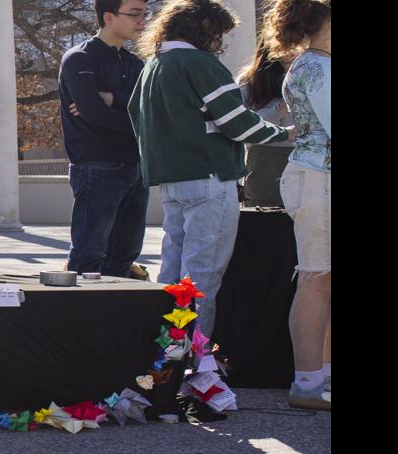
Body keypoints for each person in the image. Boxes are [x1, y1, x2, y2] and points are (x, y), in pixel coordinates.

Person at [128, 0, 290, 340]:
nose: (220, 43)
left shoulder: (153, 65)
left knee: (172, 273)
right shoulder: (200, 64)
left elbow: (135, 116)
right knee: (201, 278)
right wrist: (284, 133)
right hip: (209, 178)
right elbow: (236, 122)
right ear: (205, 28)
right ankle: (192, 355)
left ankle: (163, 350)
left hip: (172, 180)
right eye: (218, 34)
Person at [265, 0, 331, 410]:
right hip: (318, 179)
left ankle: (319, 376)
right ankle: (308, 381)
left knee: (322, 279)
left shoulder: (314, 64)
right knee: (316, 277)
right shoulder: (318, 67)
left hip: (315, 176)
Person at [60, 0, 153, 281]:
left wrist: (113, 99)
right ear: (109, 17)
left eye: (145, 14)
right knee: (88, 253)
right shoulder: (80, 58)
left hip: (136, 166)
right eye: (134, 14)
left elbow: (150, 110)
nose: (142, 21)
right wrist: (138, 121)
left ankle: (116, 308)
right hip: (96, 165)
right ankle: (80, 310)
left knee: (125, 253)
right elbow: (94, 114)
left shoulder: (137, 63)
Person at [236, 38, 295, 208]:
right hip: (263, 158)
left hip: (301, 155)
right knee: (262, 214)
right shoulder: (249, 81)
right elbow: (246, 125)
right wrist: (279, 108)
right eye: (290, 42)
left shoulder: (309, 73)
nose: (295, 49)